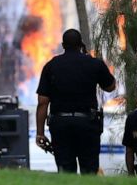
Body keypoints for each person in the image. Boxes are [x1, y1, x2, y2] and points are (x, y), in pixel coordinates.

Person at [35, 28, 116, 174]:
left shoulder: (51, 66)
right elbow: (110, 86)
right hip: (87, 124)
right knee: (89, 169)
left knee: (65, 171)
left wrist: (40, 133)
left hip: (60, 125)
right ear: (81, 45)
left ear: (63, 45)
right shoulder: (94, 64)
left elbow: (42, 102)